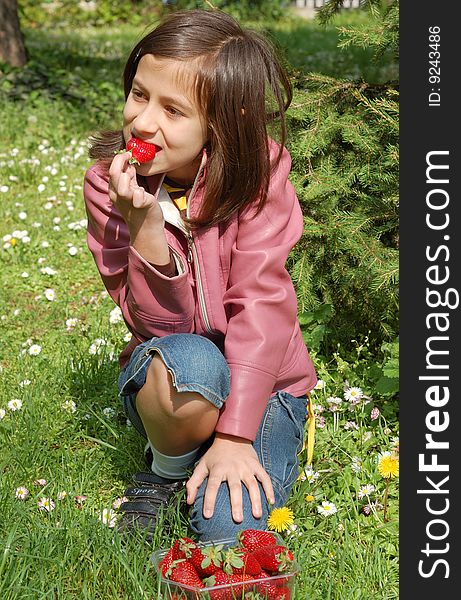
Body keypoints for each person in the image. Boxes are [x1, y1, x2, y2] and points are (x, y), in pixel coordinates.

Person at [83, 8, 317, 543]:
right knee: (192, 362)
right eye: (139, 95)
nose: (142, 122)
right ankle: (168, 470)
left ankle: (223, 454)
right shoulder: (108, 186)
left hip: (266, 383)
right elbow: (161, 328)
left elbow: (262, 302)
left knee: (227, 535)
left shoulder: (259, 176)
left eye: (173, 109)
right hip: (179, 373)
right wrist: (143, 223)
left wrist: (236, 437)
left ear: (222, 120)